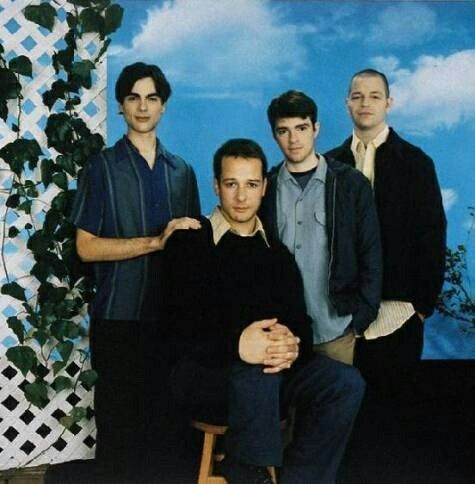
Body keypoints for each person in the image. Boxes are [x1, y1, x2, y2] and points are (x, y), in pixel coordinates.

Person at [160, 138, 365, 484]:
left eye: (251, 184)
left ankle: (300, 478)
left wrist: (291, 344)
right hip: (206, 376)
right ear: (216, 186)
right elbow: (175, 329)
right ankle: (248, 470)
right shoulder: (190, 241)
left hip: (269, 377)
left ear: (263, 187)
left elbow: (300, 323)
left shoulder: (277, 255)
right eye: (231, 184)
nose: (242, 196)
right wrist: (238, 344)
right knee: (256, 371)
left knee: (344, 382)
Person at [70, 62, 201, 481]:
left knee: (167, 435)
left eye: (152, 98)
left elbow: (191, 252)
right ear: (121, 106)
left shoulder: (182, 171)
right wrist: (152, 242)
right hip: (118, 318)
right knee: (121, 436)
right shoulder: (101, 168)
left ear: (163, 107)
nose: (143, 107)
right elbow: (85, 248)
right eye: (133, 98)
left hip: (171, 321)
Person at [325, 68, 446, 399]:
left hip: (399, 312)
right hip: (342, 315)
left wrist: (421, 307)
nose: (366, 103)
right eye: (358, 96)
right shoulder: (328, 164)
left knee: (393, 413)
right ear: (347, 103)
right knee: (342, 409)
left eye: (375, 96)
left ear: (388, 102)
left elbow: (433, 236)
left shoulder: (416, 163)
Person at [260, 90, 382, 366]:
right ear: (274, 134)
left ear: (316, 128)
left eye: (301, 128)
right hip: (281, 335)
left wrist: (358, 320)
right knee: (282, 409)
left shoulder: (351, 185)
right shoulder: (265, 189)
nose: (293, 139)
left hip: (336, 332)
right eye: (284, 131)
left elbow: (371, 256)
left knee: (337, 405)